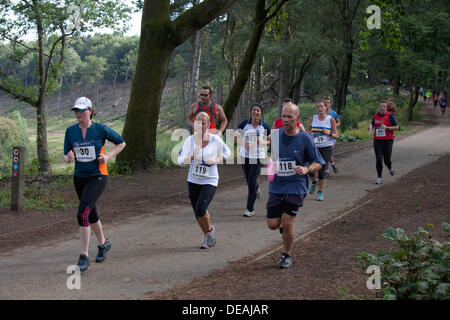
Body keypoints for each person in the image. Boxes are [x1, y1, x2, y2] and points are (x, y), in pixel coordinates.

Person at [63, 97, 126, 271]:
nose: (78, 113)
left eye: (81, 110)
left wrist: (108, 156)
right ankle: (104, 244)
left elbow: (121, 143)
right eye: (76, 110)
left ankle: (84, 256)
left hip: (98, 175)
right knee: (90, 214)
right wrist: (68, 158)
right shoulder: (70, 131)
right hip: (79, 177)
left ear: (90, 111)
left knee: (82, 214)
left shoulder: (101, 129)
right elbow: (66, 154)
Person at [266, 102, 324, 268]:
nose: (285, 120)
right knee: (272, 224)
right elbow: (271, 158)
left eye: (289, 117)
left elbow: (318, 162)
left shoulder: (305, 138)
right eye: (283, 116)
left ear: (297, 118)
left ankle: (286, 255)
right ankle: (284, 230)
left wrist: (307, 169)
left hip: (296, 185)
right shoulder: (276, 136)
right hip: (277, 184)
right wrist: (270, 169)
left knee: (288, 220)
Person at [178, 112, 231, 249]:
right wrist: (190, 157)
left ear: (208, 125)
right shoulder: (189, 141)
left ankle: (208, 234)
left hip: (210, 180)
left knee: (201, 208)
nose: (200, 125)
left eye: (203, 122)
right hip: (193, 179)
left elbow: (227, 152)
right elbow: (180, 161)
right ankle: (208, 234)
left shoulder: (214, 139)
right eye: (198, 122)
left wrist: (216, 160)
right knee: (197, 212)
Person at [235, 103, 271, 217]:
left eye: (258, 110)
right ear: (251, 112)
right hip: (245, 156)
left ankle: (250, 209)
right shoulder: (244, 124)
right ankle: (256, 186)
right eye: (254, 110)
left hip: (257, 157)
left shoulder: (264, 126)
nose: (256, 112)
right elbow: (235, 138)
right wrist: (244, 144)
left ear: (261, 113)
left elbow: (270, 141)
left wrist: (263, 142)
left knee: (250, 182)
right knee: (249, 181)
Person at [307, 101, 339, 201]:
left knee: (321, 170)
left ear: (325, 108)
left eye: (321, 106)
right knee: (309, 168)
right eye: (317, 107)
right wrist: (309, 136)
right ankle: (313, 182)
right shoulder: (313, 118)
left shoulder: (331, 119)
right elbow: (308, 131)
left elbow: (336, 136)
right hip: (314, 147)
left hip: (326, 148)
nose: (320, 108)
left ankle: (320, 192)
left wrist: (328, 133)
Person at [370, 100, 399, 185]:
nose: (382, 107)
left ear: (386, 108)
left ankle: (390, 167)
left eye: (384, 106)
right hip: (377, 140)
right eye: (381, 106)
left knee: (386, 159)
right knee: (378, 158)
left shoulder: (390, 116)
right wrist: (370, 128)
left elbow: (397, 127)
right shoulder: (375, 116)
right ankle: (379, 177)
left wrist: (387, 128)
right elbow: (372, 124)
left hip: (387, 140)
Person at [323, 96, 340, 175]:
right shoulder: (321, 113)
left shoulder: (333, 113)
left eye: (328, 103)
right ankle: (331, 165)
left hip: (332, 135)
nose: (326, 104)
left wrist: (334, 126)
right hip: (324, 135)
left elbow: (339, 122)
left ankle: (328, 168)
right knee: (326, 152)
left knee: (328, 151)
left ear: (330, 104)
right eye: (325, 103)